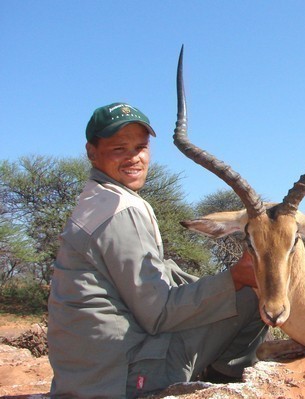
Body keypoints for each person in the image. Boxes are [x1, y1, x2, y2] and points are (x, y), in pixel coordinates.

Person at [47, 103, 267, 398]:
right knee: (251, 298)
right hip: (124, 379)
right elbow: (159, 314)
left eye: (140, 147)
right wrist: (236, 278)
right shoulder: (120, 209)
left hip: (86, 375)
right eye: (118, 149)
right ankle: (218, 384)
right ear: (91, 151)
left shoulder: (96, 198)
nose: (134, 158)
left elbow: (154, 280)